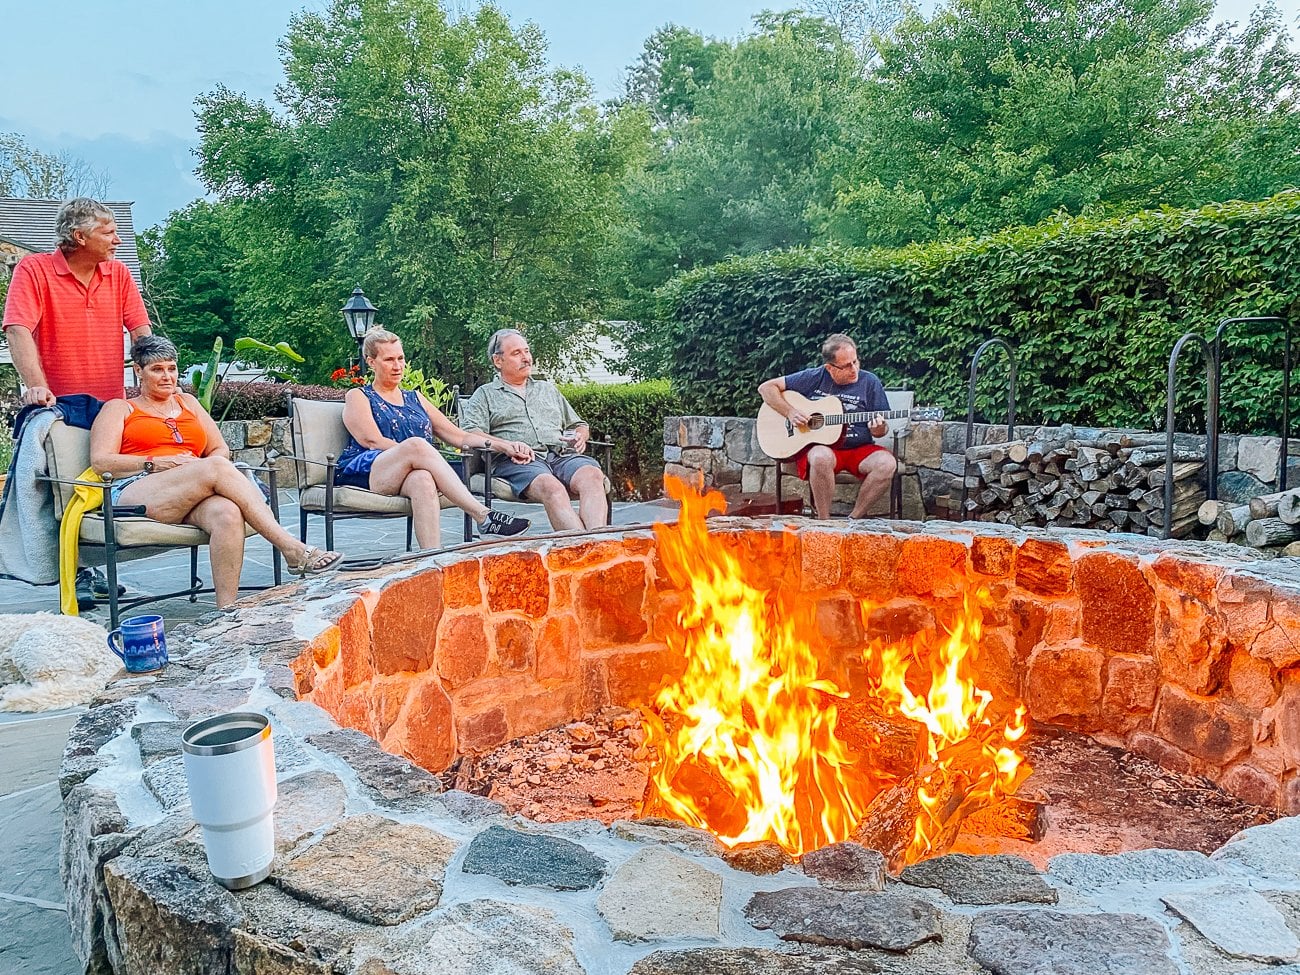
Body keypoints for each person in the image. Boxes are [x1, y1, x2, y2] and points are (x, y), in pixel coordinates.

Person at [89, 336, 343, 609]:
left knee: (227, 514)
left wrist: (199, 468)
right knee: (216, 467)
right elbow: (101, 462)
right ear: (139, 371)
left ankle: (227, 611)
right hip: (139, 489)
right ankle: (291, 549)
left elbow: (219, 449)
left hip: (193, 487)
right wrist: (154, 463)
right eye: (157, 369)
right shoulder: (120, 408)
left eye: (172, 368)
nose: (167, 377)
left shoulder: (188, 403)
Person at [3, 198, 154, 607]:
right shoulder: (34, 270)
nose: (117, 241)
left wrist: (155, 379)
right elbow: (17, 329)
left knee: (97, 487)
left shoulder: (117, 273)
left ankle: (90, 567)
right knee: (64, 488)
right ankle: (75, 571)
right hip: (58, 403)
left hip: (108, 402)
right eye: (109, 233)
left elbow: (141, 332)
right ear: (78, 236)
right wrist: (35, 385)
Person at [336, 329, 531, 547]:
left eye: (400, 358)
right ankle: (483, 515)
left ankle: (431, 559)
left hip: (411, 472)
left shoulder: (415, 397)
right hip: (370, 471)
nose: (397, 366)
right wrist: (416, 452)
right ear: (371, 362)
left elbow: (458, 436)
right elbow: (371, 441)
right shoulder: (358, 396)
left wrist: (504, 446)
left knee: (423, 480)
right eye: (389, 359)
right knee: (418, 446)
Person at [460, 329, 608, 531]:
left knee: (592, 475)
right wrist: (507, 446)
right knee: (551, 487)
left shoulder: (547, 389)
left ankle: (598, 541)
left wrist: (581, 436)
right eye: (516, 353)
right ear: (498, 361)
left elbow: (578, 424)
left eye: (527, 351)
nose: (526, 358)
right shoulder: (485, 394)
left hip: (561, 455)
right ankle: (583, 550)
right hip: (519, 461)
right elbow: (470, 434)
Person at [757, 333, 896, 520]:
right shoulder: (814, 376)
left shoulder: (870, 382)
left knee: (887, 464)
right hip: (824, 448)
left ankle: (853, 520)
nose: (854, 369)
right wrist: (789, 412)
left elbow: (881, 430)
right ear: (829, 368)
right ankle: (824, 523)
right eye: (846, 365)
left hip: (859, 448)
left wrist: (878, 429)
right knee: (820, 456)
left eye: (855, 362)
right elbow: (766, 388)